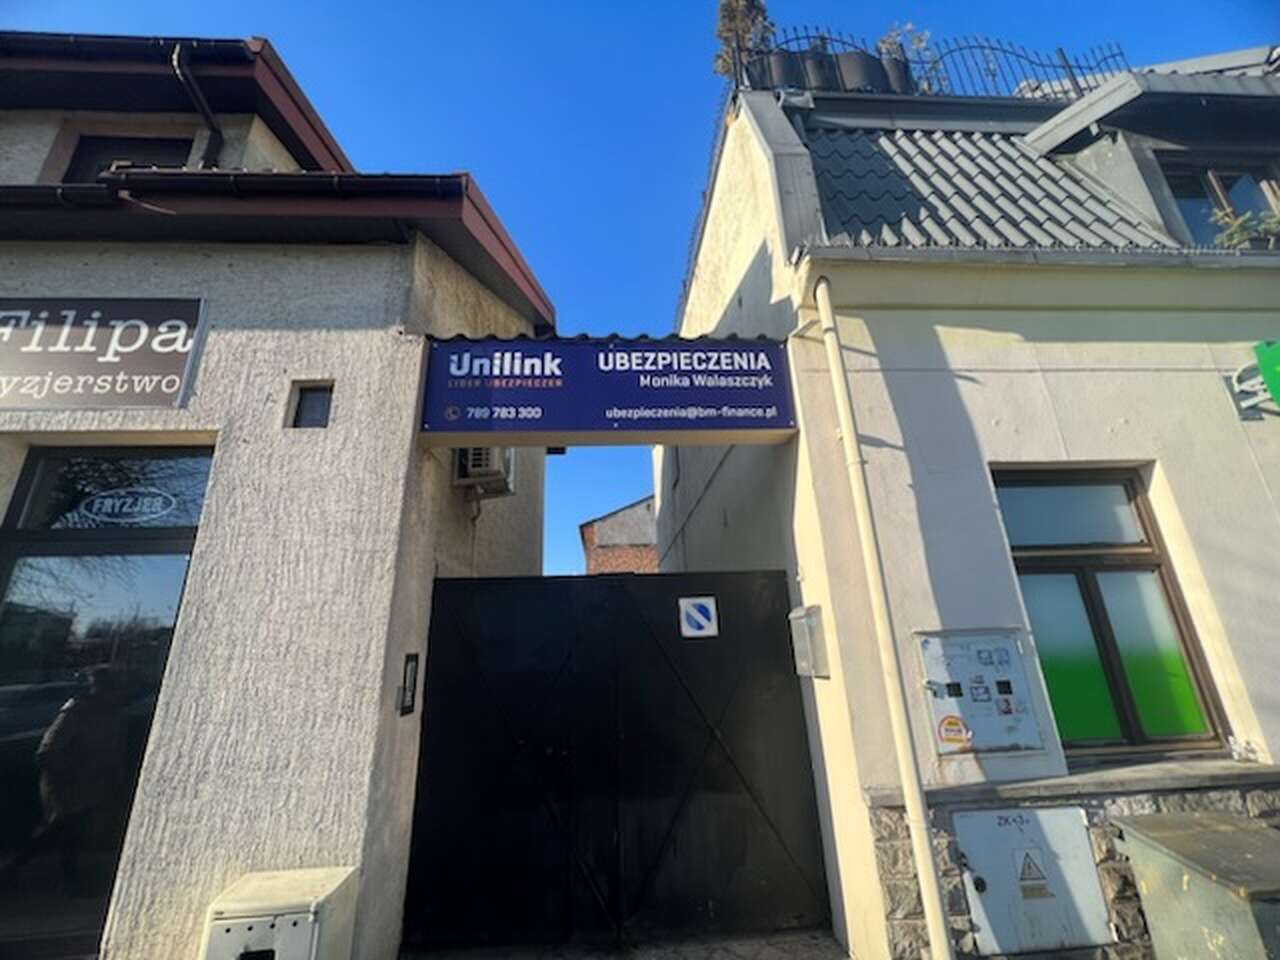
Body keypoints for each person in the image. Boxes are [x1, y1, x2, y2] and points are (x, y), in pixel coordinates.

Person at [0, 665, 126, 893]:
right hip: (65, 785)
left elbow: (108, 749)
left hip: (90, 784)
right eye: (111, 688)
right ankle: (19, 870)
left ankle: (65, 877)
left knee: (70, 831)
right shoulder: (75, 714)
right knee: (58, 828)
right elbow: (46, 753)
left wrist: (110, 774)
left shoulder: (109, 714)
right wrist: (69, 776)